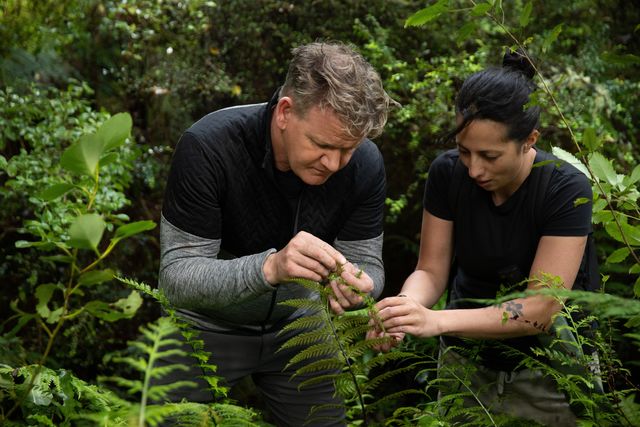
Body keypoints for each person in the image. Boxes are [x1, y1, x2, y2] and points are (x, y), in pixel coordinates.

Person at [158, 41, 396, 426]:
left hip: (302, 326)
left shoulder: (366, 164)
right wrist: (271, 267)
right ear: (285, 112)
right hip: (205, 325)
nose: (334, 163)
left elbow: (369, 263)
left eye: (348, 149)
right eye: (321, 145)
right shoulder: (209, 146)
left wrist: (361, 286)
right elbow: (176, 277)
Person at [367, 50, 596, 426]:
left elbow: (539, 309)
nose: (474, 169)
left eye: (490, 156)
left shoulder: (565, 189)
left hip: (550, 373)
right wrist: (405, 309)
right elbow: (431, 270)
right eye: (464, 151)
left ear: (529, 140)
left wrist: (438, 321)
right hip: (466, 365)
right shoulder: (447, 174)